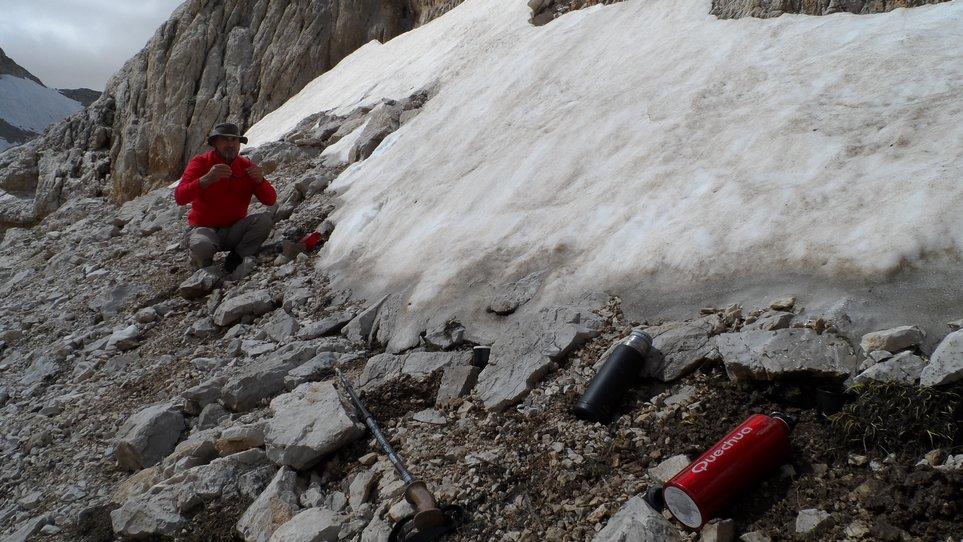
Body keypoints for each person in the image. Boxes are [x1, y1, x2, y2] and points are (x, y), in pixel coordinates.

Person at [174, 122, 277, 276]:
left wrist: (261, 181)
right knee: (201, 245)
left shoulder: (246, 166)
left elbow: (270, 200)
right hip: (205, 229)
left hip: (234, 230)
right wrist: (206, 180)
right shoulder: (201, 163)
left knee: (263, 221)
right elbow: (180, 197)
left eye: (234, 140)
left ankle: (236, 259)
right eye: (225, 140)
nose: (231, 144)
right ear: (215, 143)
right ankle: (204, 272)